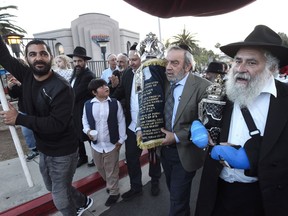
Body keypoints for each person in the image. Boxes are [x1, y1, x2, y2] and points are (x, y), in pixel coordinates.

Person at [195, 25, 288, 216]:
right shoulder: (223, 92)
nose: (240, 69)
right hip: (217, 191)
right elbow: (206, 122)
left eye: (251, 63)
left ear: (271, 68)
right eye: (238, 61)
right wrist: (197, 128)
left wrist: (252, 157)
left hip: (263, 197)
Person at [0, 37, 93, 215]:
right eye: (33, 54)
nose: (38, 58)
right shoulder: (27, 75)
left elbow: (56, 124)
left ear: (50, 56)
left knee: (59, 196)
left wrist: (18, 118)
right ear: (27, 58)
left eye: (43, 53)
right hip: (44, 148)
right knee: (54, 186)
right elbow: (4, 56)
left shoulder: (62, 87)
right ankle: (83, 201)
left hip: (64, 151)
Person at [161, 46, 211, 216]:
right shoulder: (163, 82)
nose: (168, 67)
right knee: (175, 195)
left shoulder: (204, 87)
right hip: (164, 152)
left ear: (188, 66)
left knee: (177, 199)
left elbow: (205, 122)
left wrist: (175, 136)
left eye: (174, 63)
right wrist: (142, 127)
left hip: (186, 153)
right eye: (167, 62)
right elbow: (149, 106)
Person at [111, 45, 162, 200]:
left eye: (135, 59)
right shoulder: (126, 74)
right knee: (132, 159)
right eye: (130, 59)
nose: (132, 62)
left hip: (150, 124)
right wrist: (106, 95)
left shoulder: (152, 74)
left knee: (154, 157)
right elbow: (119, 92)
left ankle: (155, 181)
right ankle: (136, 188)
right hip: (132, 126)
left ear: (143, 59)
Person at [82, 78, 127, 206]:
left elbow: (121, 121)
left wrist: (121, 139)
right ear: (94, 92)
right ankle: (111, 184)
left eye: (105, 85)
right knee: (100, 167)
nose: (106, 87)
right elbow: (84, 120)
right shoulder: (88, 104)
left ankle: (114, 192)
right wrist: (88, 131)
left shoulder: (114, 103)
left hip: (111, 143)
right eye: (101, 87)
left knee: (112, 169)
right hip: (96, 145)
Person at [68, 47, 96, 168]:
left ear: (85, 62)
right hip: (75, 110)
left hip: (84, 110)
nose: (77, 64)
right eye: (74, 61)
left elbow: (76, 93)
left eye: (79, 61)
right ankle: (82, 157)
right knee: (77, 135)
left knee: (89, 135)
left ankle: (96, 157)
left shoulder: (88, 75)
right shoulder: (75, 74)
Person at [6, 73, 39, 161]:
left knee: (39, 128)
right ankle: (34, 149)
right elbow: (14, 95)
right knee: (26, 131)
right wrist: (10, 87)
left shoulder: (30, 78)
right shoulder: (16, 81)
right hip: (24, 109)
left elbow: (33, 91)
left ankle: (43, 147)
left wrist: (21, 84)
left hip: (35, 109)